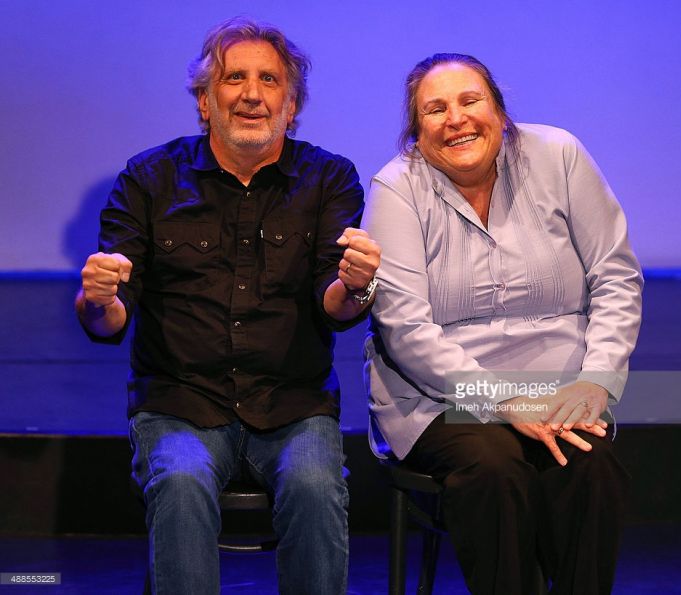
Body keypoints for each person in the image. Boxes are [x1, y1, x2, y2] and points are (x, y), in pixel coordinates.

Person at [75, 17, 380, 595]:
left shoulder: (329, 178)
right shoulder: (148, 179)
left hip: (292, 404)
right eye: (234, 78)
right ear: (204, 101)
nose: (251, 94)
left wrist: (356, 284)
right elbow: (108, 320)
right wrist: (98, 297)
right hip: (180, 402)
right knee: (181, 481)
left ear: (291, 106)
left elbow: (336, 306)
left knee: (316, 487)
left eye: (269, 80)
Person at [362, 53, 642, 594]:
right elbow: (405, 328)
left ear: (500, 112)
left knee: (591, 466)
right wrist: (503, 400)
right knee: (493, 467)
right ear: (416, 131)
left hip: (557, 385)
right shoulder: (396, 187)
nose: (457, 119)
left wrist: (596, 379)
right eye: (435, 110)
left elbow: (616, 275)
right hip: (439, 396)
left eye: (471, 101)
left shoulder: (559, 155)